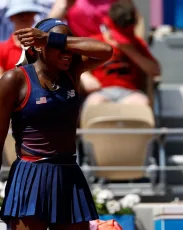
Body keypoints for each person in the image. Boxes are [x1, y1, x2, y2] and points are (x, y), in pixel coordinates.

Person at [0, 18, 113, 229]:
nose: (66, 51)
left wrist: (53, 40)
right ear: (39, 48)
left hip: (68, 174)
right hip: (30, 175)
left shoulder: (72, 73)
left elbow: (106, 50)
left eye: (68, 44)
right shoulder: (14, 80)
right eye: (58, 46)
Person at [82, 1, 160, 106]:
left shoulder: (137, 44)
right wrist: (85, 77)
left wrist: (128, 49)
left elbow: (155, 70)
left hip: (129, 93)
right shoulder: (96, 42)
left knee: (141, 103)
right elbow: (77, 65)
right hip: (102, 91)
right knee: (94, 103)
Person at [48, 0, 145, 39]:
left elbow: (137, 19)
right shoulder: (69, 2)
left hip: (116, 53)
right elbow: (47, 25)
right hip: (83, 54)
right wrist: (62, 7)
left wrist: (140, 46)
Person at [0, 0, 45, 76]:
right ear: (11, 17)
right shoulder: (2, 49)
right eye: (20, 14)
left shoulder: (42, 47)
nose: (25, 17)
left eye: (29, 13)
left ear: (34, 15)